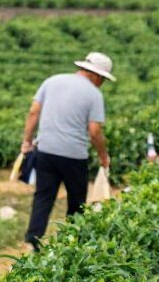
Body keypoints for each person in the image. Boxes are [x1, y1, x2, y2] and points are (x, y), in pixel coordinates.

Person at [21, 52, 114, 249]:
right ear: (96, 75)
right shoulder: (94, 94)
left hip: (45, 150)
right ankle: (72, 243)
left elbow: (33, 112)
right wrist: (103, 156)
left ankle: (32, 241)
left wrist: (27, 141)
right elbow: (95, 131)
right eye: (103, 79)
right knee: (77, 200)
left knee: (43, 196)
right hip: (74, 155)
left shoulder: (52, 81)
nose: (102, 83)